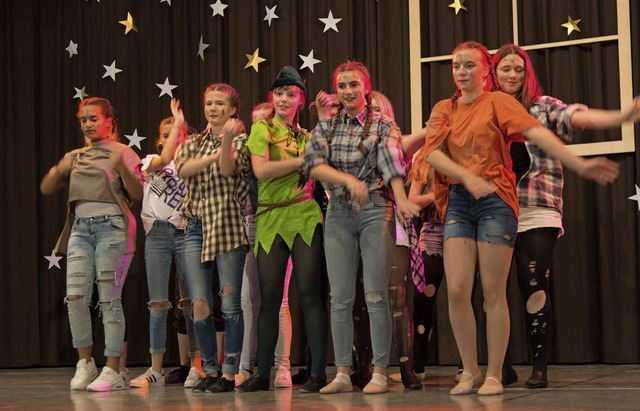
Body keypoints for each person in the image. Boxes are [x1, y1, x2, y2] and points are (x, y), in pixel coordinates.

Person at [420, 41, 619, 396]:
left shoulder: (498, 102)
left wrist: (579, 163)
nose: (462, 72)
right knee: (457, 289)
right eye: (456, 65)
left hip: (496, 199)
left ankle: (494, 373)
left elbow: (538, 133)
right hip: (459, 201)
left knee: (493, 293)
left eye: (469, 65)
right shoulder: (443, 109)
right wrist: (465, 177)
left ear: (485, 71)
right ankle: (470, 370)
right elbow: (432, 153)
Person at [491, 44, 640, 388]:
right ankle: (501, 366)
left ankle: (539, 368)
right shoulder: (486, 111)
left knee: (533, 285)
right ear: (494, 75)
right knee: (492, 291)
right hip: (494, 208)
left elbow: (576, 116)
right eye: (505, 69)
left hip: (537, 207)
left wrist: (620, 117)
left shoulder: (542, 108)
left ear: (527, 74)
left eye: (518, 69)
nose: (512, 75)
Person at [306, 62, 421, 395]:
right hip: (341, 211)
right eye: (341, 86)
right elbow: (313, 165)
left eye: (353, 84)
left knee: (375, 294)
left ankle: (381, 372)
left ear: (366, 88)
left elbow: (391, 160)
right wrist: (346, 180)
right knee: (339, 298)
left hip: (375, 208)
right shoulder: (327, 126)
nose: (347, 91)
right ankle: (343, 372)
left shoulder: (383, 124)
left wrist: (401, 199)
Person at [40, 97, 144, 392]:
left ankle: (113, 369)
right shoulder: (76, 155)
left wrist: (121, 167)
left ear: (109, 121)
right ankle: (85, 363)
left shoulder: (123, 151)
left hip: (111, 228)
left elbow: (137, 190)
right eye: (83, 119)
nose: (87, 124)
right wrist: (59, 169)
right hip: (80, 231)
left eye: (94, 118)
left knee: (109, 300)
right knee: (75, 297)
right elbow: (46, 188)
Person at [238, 66, 328, 393]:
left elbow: (322, 166)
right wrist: (304, 162)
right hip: (270, 218)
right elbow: (261, 170)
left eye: (291, 94)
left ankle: (318, 373)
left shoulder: (308, 137)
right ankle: (263, 374)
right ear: (272, 97)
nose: (284, 99)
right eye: (279, 93)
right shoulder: (261, 128)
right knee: (270, 298)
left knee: (308, 295)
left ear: (300, 100)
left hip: (304, 216)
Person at [175, 83, 251, 393]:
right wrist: (216, 150)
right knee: (199, 303)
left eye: (220, 103)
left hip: (228, 226)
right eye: (209, 103)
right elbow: (182, 169)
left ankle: (230, 371)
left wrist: (228, 142)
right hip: (195, 227)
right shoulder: (193, 141)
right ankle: (208, 369)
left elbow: (227, 170)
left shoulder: (243, 140)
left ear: (233, 109)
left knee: (231, 303)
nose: (213, 108)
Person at [129, 99, 201, 389]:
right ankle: (156, 368)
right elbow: (163, 158)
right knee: (158, 304)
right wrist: (177, 125)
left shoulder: (192, 166)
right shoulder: (149, 161)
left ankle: (198, 364)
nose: (173, 137)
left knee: (191, 302)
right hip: (157, 234)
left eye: (178, 132)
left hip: (186, 233)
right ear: (160, 139)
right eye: (167, 132)